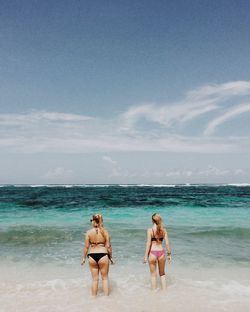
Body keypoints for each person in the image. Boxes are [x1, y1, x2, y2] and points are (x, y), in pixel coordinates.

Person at [81, 214, 113, 296]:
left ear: (94, 221)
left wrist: (83, 258)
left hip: (92, 255)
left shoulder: (88, 232)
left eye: (91, 220)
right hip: (103, 254)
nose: (91, 222)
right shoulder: (105, 231)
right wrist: (111, 257)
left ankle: (94, 300)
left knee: (95, 280)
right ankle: (107, 299)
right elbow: (108, 246)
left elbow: (86, 247)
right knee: (105, 279)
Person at [143, 213, 171, 290]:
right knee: (162, 274)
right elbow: (167, 243)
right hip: (161, 253)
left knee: (153, 275)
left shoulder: (150, 230)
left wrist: (145, 256)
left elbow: (148, 244)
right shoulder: (164, 230)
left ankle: (154, 293)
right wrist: (169, 255)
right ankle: (165, 292)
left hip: (152, 253)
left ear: (152, 221)